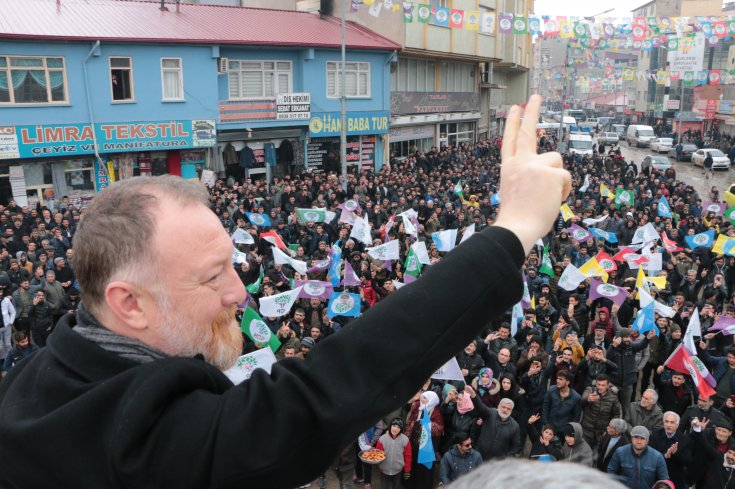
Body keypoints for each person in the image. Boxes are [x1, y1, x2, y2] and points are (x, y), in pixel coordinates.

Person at [0, 95, 571, 488]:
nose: (240, 293)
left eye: (234, 266)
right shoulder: (143, 446)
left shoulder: (36, 383)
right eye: (212, 276)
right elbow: (329, 386)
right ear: (129, 302)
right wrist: (513, 230)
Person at [469, 389, 522, 460]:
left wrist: (504, 460)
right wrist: (473, 395)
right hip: (479, 456)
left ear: (511, 411)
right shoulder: (490, 413)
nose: (505, 410)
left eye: (508, 409)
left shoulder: (515, 426)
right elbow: (480, 407)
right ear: (498, 407)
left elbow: (515, 448)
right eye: (503, 407)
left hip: (496, 464)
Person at [648, 411, 693, 489]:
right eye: (666, 421)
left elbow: (688, 461)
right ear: (663, 422)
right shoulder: (655, 435)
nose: (668, 425)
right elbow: (650, 455)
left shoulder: (684, 440)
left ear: (677, 425)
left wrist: (675, 453)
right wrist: (665, 455)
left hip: (675, 479)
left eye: (672, 422)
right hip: (656, 476)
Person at [580, 374, 622, 450]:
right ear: (596, 383)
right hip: (587, 430)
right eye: (598, 384)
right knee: (583, 452)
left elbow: (616, 415)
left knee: (597, 454)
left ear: (608, 386)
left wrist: (609, 429)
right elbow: (582, 400)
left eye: (603, 385)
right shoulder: (590, 390)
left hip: (602, 432)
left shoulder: (613, 397)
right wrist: (588, 399)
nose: (600, 387)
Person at [376, 418, 411, 489]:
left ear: (401, 429)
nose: (395, 429)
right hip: (384, 470)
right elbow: (377, 454)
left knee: (396, 486)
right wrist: (379, 465)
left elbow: (408, 456)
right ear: (390, 426)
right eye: (394, 425)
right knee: (384, 487)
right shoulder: (382, 439)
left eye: (398, 427)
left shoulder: (405, 440)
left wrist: (407, 470)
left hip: (398, 470)